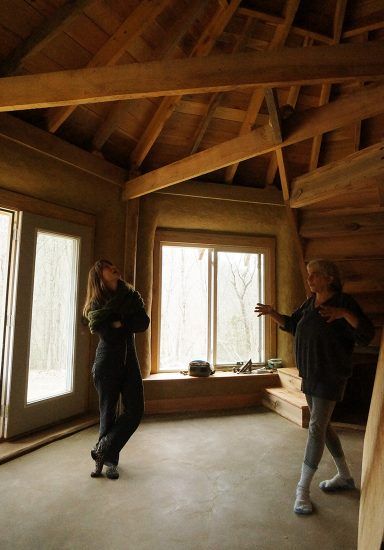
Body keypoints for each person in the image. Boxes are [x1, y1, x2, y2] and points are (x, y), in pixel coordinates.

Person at [254, 259, 374, 515]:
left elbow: (367, 333)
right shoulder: (309, 303)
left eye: (314, 275)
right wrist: (273, 313)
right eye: (309, 275)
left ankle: (302, 490)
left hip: (330, 376)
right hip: (309, 375)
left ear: (329, 278)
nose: (309, 280)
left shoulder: (344, 303)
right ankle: (344, 476)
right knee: (324, 425)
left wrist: (345, 315)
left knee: (316, 427)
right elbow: (293, 325)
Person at [83, 259, 150, 480]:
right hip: (107, 362)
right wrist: (123, 322)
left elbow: (143, 323)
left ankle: (102, 448)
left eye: (113, 264)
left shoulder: (131, 296)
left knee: (135, 410)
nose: (113, 266)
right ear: (99, 275)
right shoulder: (96, 304)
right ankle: (106, 463)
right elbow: (109, 335)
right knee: (107, 413)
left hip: (129, 359)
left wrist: (120, 322)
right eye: (106, 266)